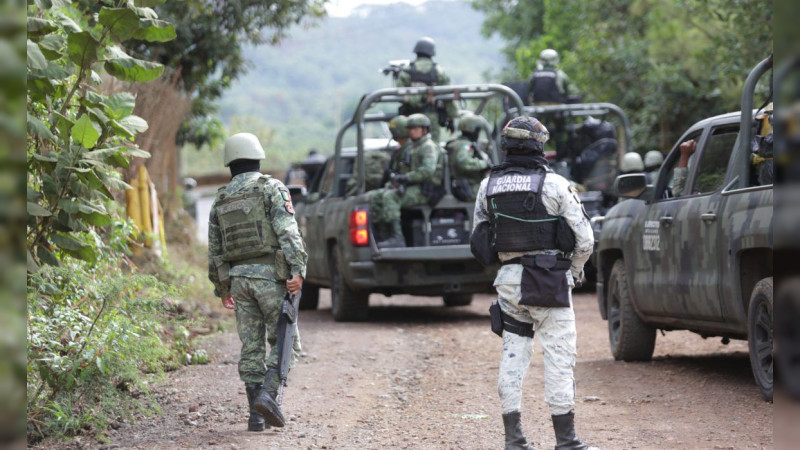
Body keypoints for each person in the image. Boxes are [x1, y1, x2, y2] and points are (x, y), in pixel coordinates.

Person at [472, 116, 596, 450]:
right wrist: (574, 272)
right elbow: (584, 241)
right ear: (539, 145)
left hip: (508, 281)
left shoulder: (488, 186)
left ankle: (514, 441)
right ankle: (566, 442)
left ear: (506, 145)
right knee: (559, 357)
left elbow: (479, 238)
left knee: (513, 355)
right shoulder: (555, 184)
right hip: (548, 281)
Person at [207, 133, 308, 432]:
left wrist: (222, 288)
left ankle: (256, 416)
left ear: (230, 164)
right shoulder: (272, 188)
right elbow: (288, 231)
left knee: (251, 346)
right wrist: (297, 268)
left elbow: (215, 250)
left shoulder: (221, 198)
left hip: (239, 281)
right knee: (288, 341)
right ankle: (268, 395)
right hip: (270, 279)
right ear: (258, 157)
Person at [370, 113, 444, 248]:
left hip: (425, 190)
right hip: (413, 186)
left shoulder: (427, 146)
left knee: (391, 197)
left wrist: (405, 178)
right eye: (410, 129)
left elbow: (427, 170)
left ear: (424, 130)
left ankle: (398, 238)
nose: (413, 132)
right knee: (377, 197)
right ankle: (384, 235)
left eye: (416, 129)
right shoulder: (413, 147)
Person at [396, 36, 458, 143]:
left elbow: (399, 93)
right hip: (432, 117)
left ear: (416, 51)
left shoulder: (407, 70)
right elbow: (448, 97)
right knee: (433, 149)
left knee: (410, 150)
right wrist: (452, 118)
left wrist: (413, 100)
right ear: (431, 53)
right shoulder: (439, 71)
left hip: (411, 118)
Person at [446, 113, 490, 201]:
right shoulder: (465, 145)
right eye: (477, 130)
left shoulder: (456, 143)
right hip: (468, 186)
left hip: (462, 185)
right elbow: (463, 162)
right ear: (473, 130)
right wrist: (484, 164)